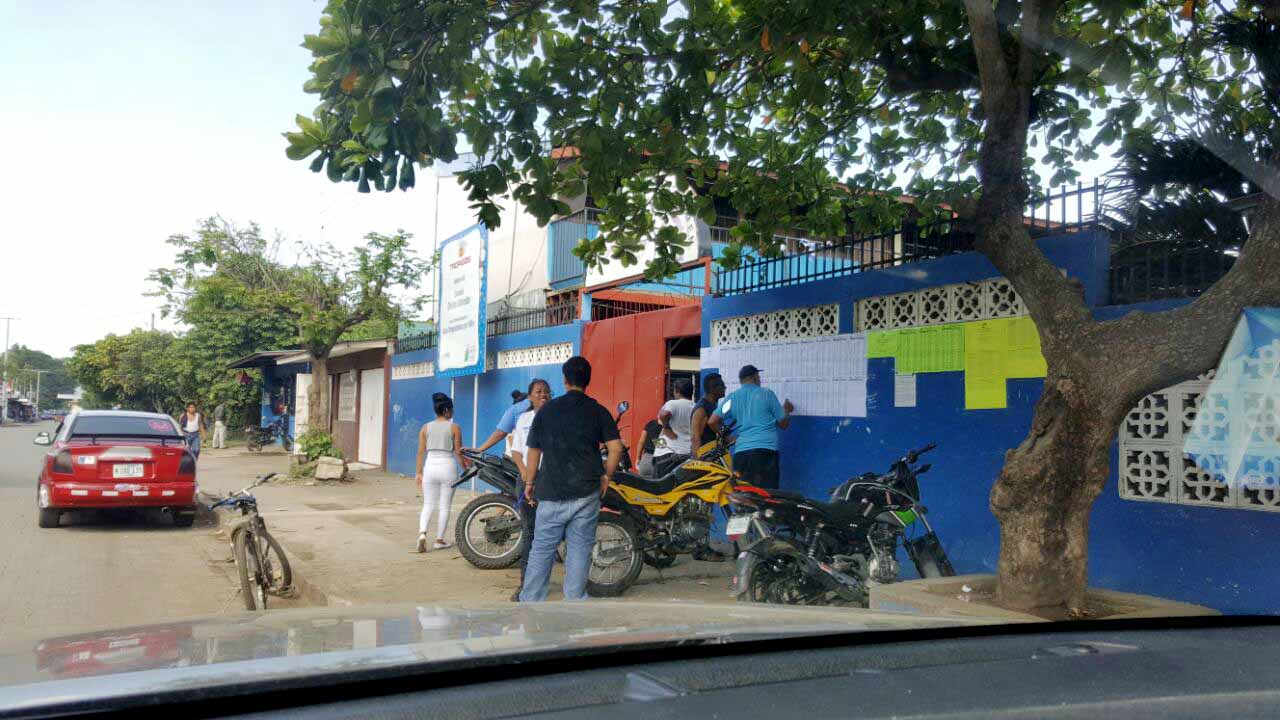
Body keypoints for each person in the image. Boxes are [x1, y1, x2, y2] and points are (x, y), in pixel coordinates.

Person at [518, 356, 623, 602]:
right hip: (586, 492)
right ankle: (574, 605)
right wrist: (606, 476)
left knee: (542, 549)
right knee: (579, 550)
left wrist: (529, 483)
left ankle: (530, 603)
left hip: (551, 492)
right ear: (587, 381)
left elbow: (533, 451)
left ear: (565, 380)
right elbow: (616, 448)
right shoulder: (598, 411)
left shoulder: (546, 411)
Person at [709, 365, 794, 489]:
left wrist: (728, 438)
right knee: (766, 494)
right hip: (765, 453)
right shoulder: (766, 394)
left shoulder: (732, 399)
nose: (759, 379)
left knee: (743, 494)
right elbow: (783, 424)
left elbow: (712, 421)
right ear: (754, 377)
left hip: (741, 454)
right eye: (758, 377)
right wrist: (786, 410)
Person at [507, 378, 551, 601]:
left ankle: (542, 580)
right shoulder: (524, 419)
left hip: (550, 481)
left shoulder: (556, 418)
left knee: (549, 533)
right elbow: (516, 451)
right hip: (526, 481)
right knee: (530, 532)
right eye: (538, 391)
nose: (543, 394)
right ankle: (525, 584)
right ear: (530, 396)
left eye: (546, 391)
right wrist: (525, 473)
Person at [414, 393, 467, 552]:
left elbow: (420, 452)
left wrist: (418, 472)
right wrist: (466, 468)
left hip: (430, 467)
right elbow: (458, 452)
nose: (453, 412)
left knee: (428, 504)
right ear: (446, 410)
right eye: (452, 409)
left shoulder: (425, 427)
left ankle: (422, 534)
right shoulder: (454, 427)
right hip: (447, 466)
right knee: (444, 506)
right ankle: (439, 540)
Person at [653, 379, 696, 477]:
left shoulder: (672, 403)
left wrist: (666, 426)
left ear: (677, 391)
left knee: (659, 484)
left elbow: (664, 415)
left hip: (666, 452)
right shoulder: (696, 407)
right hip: (686, 454)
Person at [690, 373, 727, 457]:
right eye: (722, 385)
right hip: (704, 458)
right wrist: (698, 460)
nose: (725, 388)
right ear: (713, 389)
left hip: (713, 455)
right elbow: (695, 438)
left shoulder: (712, 406)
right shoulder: (701, 409)